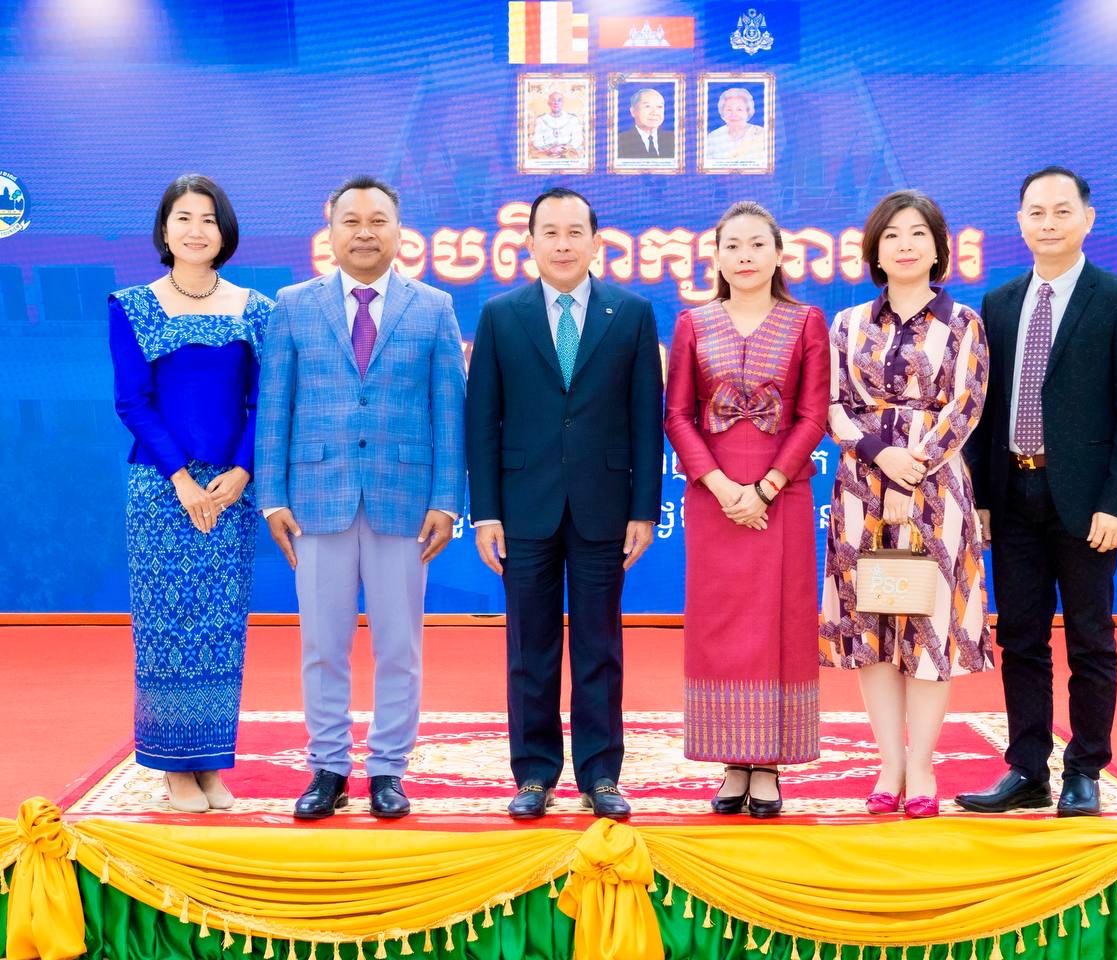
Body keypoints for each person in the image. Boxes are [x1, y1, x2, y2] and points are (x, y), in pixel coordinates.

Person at [255, 176, 466, 820]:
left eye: (378, 221)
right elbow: (275, 406)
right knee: (323, 643)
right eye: (352, 221)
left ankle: (388, 770)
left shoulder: (433, 307)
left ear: (399, 232)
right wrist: (271, 497)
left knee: (399, 645)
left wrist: (447, 499)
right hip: (315, 497)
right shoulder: (293, 305)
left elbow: (449, 411)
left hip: (405, 499)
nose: (365, 232)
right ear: (331, 231)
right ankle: (327, 768)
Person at [956, 167, 1117, 818]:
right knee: (1020, 637)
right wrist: (981, 498)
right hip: (1013, 492)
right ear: (1020, 221)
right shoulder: (999, 303)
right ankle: (1026, 770)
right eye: (1036, 212)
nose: (1049, 223)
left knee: (1090, 640)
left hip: (1088, 503)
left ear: (1087, 219)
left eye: (1061, 211)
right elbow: (984, 411)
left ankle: (1085, 769)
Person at [466, 187, 663, 821]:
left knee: (600, 645)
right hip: (524, 506)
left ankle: (601, 774)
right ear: (529, 243)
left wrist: (644, 509)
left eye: (575, 232)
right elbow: (482, 419)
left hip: (605, 505)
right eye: (549, 232)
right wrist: (486, 511)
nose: (562, 243)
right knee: (531, 646)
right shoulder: (501, 314)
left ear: (596, 242)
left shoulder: (631, 313)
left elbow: (646, 419)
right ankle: (533, 774)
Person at [821, 190, 992, 819]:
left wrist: (909, 470)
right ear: (875, 250)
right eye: (892, 235)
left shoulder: (965, 323)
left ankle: (922, 767)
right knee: (872, 627)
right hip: (860, 492)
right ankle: (888, 764)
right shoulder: (847, 324)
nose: (905, 245)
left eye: (918, 233)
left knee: (926, 629)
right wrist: (878, 455)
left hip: (935, 492)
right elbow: (832, 405)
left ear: (939, 248)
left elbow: (966, 407)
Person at [108, 174, 270, 813]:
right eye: (183, 218)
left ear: (225, 232)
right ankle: (173, 766)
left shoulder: (256, 309)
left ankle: (211, 762)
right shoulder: (132, 305)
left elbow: (263, 401)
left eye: (208, 218)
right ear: (164, 229)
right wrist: (181, 479)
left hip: (231, 490)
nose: (196, 230)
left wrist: (242, 473)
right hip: (160, 488)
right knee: (165, 625)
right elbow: (133, 402)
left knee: (222, 625)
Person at [664, 201, 828, 818]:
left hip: (782, 496)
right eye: (732, 246)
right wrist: (721, 486)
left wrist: (764, 488)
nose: (745, 256)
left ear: (779, 254)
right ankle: (733, 760)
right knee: (722, 623)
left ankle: (769, 764)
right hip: (714, 499)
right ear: (716, 257)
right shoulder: (693, 323)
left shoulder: (806, 321)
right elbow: (677, 414)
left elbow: (813, 415)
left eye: (758, 244)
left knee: (779, 622)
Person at [704, 87, 767, 165]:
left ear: (748, 112)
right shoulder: (713, 137)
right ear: (722, 112)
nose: (734, 114)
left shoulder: (762, 135)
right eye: (729, 110)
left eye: (739, 109)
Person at [617, 88, 672, 159]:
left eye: (659, 107)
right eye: (647, 106)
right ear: (633, 111)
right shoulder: (619, 142)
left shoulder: (674, 140)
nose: (654, 113)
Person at [531, 91, 585, 159]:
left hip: (568, 154)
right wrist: (549, 149)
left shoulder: (573, 119)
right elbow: (536, 140)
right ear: (549, 103)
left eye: (559, 100)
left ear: (563, 103)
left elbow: (577, 139)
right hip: (546, 154)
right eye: (553, 100)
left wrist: (563, 148)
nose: (556, 103)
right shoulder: (540, 119)